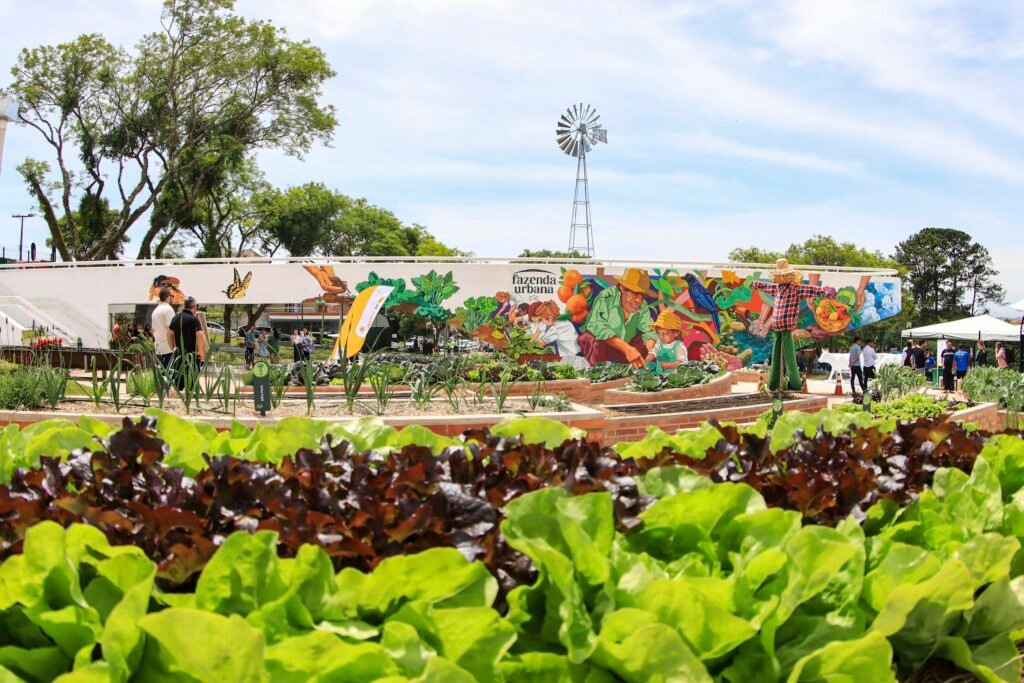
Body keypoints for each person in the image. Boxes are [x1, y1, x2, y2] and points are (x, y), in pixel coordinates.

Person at [750, 259, 834, 391]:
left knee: (785, 354)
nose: (780, 279)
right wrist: (755, 284)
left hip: (784, 327)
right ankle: (781, 383)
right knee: (781, 355)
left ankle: (786, 383)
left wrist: (824, 291)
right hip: (779, 327)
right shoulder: (778, 288)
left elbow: (811, 289)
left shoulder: (795, 289)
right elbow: (765, 286)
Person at [578, 268, 658, 368]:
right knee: (593, 339)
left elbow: (649, 330)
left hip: (624, 348)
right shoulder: (606, 297)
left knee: (646, 342)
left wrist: (651, 351)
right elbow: (597, 326)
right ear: (622, 288)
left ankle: (636, 371)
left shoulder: (642, 305)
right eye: (635, 292)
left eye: (642, 295)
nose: (639, 300)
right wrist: (627, 349)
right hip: (604, 347)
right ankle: (598, 372)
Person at [167, 297, 206, 390]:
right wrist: (202, 354)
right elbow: (200, 336)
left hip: (179, 357)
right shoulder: (194, 319)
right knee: (192, 385)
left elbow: (169, 334)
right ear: (194, 306)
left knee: (178, 384)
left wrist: (173, 349)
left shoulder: (175, 318)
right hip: (192, 356)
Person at [646, 310, 687, 374]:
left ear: (676, 333)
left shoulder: (679, 346)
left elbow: (683, 362)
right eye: (659, 333)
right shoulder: (659, 343)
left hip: (674, 377)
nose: (661, 337)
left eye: (665, 333)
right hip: (659, 375)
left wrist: (669, 365)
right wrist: (648, 359)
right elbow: (653, 353)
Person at [151, 287, 176, 369]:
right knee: (170, 375)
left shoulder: (155, 311)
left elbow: (153, 330)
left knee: (162, 374)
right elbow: (172, 329)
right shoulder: (168, 309)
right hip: (169, 347)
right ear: (167, 297)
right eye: (171, 296)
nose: (172, 299)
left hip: (159, 347)